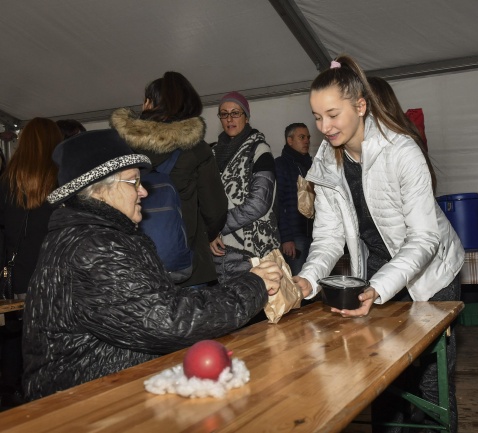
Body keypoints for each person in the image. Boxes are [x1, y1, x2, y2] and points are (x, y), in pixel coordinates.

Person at [22, 129, 282, 401]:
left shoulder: (99, 236)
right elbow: (168, 321)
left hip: (104, 390)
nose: (144, 191)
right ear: (100, 191)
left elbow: (164, 302)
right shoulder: (94, 247)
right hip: (81, 404)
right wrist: (254, 285)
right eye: (134, 182)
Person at [293, 55, 465, 432]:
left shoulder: (401, 151)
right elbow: (327, 238)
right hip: (374, 275)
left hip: (429, 279)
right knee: (379, 377)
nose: (324, 127)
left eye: (333, 115)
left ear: (360, 105)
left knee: (431, 384)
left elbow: (424, 238)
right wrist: (306, 280)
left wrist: (379, 286)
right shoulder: (325, 162)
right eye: (317, 117)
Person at [111, 71, 228, 288]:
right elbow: (215, 208)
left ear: (148, 103)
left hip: (132, 266)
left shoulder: (119, 147)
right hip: (189, 265)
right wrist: (206, 234)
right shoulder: (196, 149)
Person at [0, 118, 62, 409]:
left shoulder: (7, 182)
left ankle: (13, 395)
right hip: (54, 276)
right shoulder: (61, 180)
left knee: (15, 339)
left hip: (17, 278)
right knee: (50, 337)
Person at [210, 91, 280, 281]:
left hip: (250, 252)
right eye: (224, 114)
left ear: (246, 117)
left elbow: (259, 202)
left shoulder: (259, 150)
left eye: (235, 113)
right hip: (216, 250)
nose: (229, 119)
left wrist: (217, 227)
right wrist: (208, 231)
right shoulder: (212, 153)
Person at [274, 123, 313, 275]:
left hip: (313, 234)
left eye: (308, 137)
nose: (306, 141)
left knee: (313, 283)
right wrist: (286, 238)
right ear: (290, 141)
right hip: (294, 236)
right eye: (301, 137)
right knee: (297, 283)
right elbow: (279, 204)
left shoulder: (311, 165)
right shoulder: (280, 164)